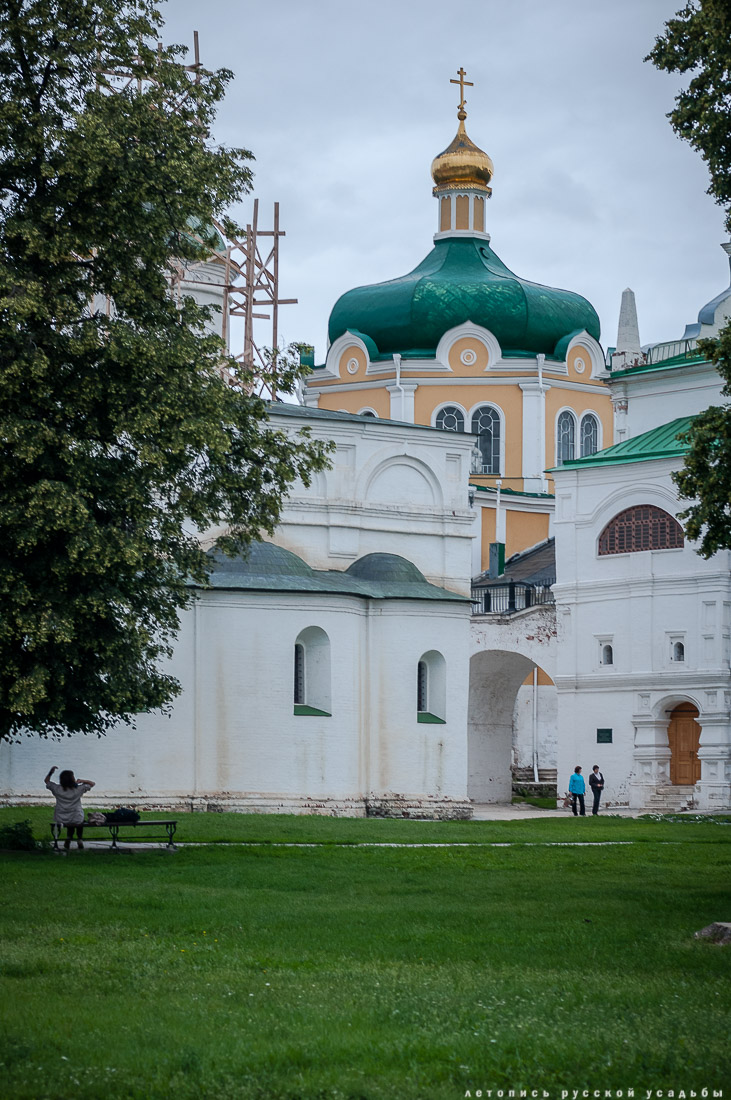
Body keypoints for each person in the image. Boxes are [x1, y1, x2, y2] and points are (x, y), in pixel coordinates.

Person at [44, 766, 95, 851]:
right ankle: (79, 839)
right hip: (76, 816)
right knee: (78, 820)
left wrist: (51, 773)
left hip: (61, 817)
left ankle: (69, 837)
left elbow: (47, 781)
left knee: (71, 819)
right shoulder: (78, 789)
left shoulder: (57, 789)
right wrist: (82, 781)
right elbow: (92, 784)